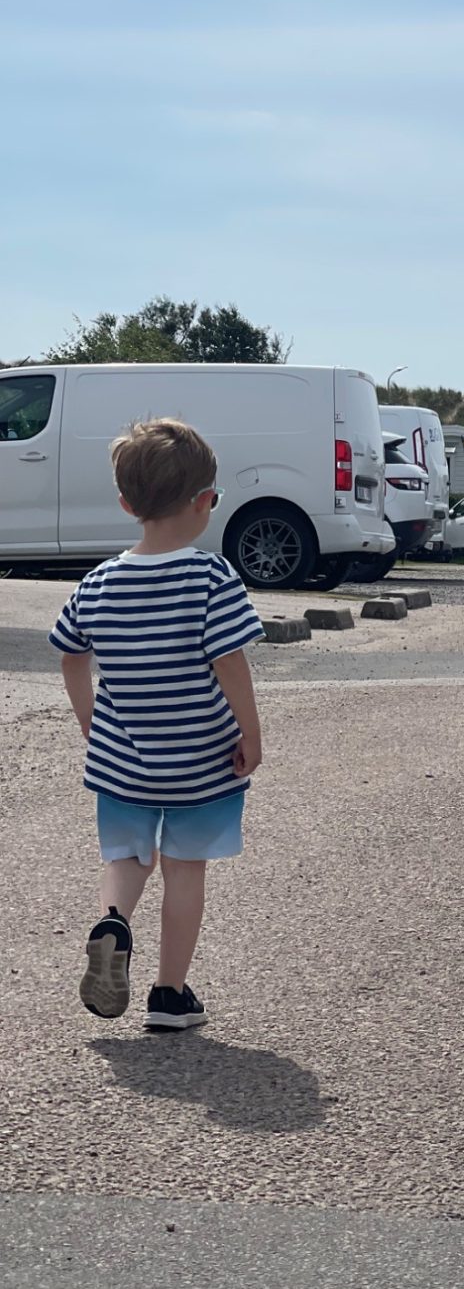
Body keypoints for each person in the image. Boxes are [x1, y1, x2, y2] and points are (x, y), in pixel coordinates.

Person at [50, 418, 264, 1031]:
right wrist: (250, 733)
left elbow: (70, 655)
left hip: (122, 758)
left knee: (126, 856)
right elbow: (230, 663)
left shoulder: (97, 583)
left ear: (126, 504)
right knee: (184, 869)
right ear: (204, 503)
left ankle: (113, 921)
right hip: (202, 761)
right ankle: (169, 994)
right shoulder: (210, 577)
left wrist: (92, 723)